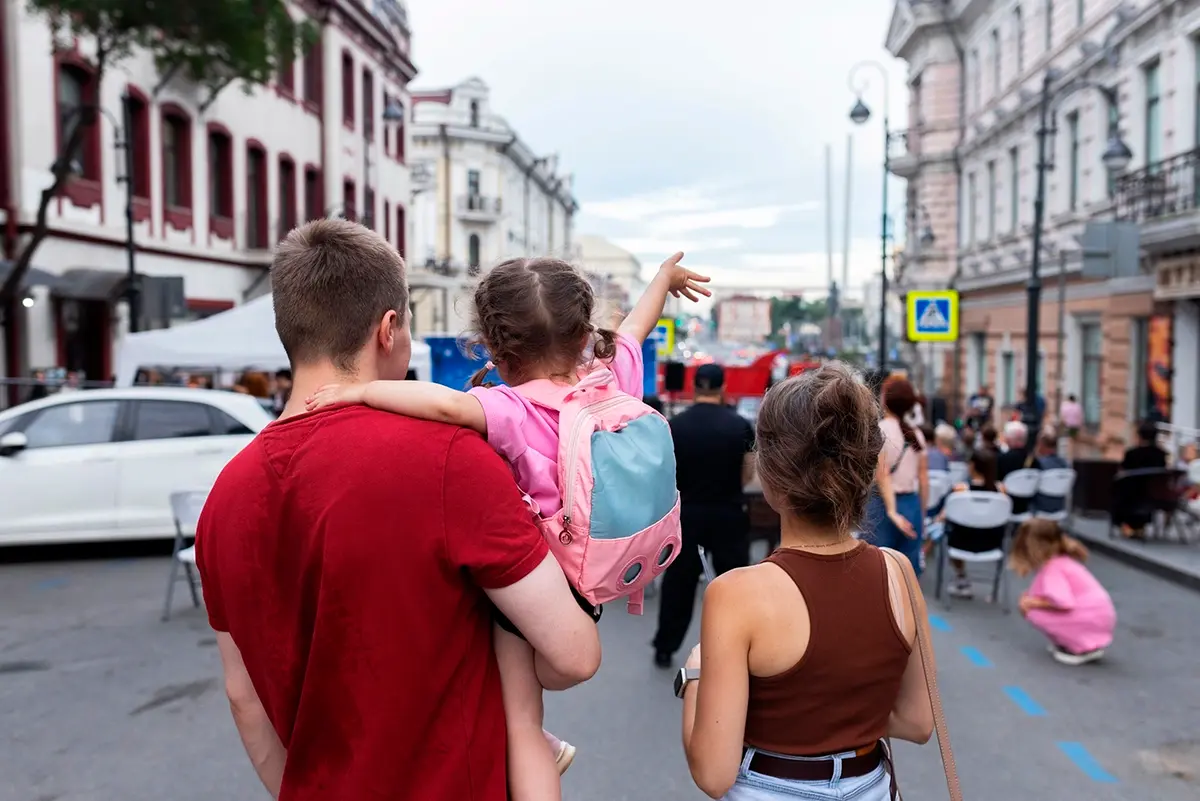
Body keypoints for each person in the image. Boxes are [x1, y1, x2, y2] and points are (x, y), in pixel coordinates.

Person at [195, 219, 603, 801]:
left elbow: (243, 696)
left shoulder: (225, 496)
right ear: (389, 330)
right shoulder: (448, 459)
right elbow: (574, 652)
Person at [307, 251, 709, 801]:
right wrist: (662, 279)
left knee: (520, 719)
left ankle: (537, 746)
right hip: (599, 572)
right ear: (583, 334)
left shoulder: (512, 408)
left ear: (494, 347)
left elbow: (445, 407)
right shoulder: (609, 379)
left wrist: (357, 392)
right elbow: (637, 325)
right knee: (535, 686)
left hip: (542, 579)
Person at [678, 364, 934, 800]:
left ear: (771, 477)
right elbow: (917, 722)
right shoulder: (898, 571)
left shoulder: (736, 594)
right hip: (871, 784)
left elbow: (713, 773)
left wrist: (696, 675)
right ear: (869, 469)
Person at [652, 362, 757, 669]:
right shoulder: (740, 425)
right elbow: (747, 474)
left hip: (688, 515)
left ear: (695, 387)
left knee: (678, 583)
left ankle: (665, 646)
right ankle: (738, 650)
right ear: (723, 388)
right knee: (733, 585)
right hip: (728, 513)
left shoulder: (675, 425)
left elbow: (667, 473)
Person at [1010, 519, 1116, 666]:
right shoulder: (1062, 560)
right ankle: (1080, 639)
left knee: (1030, 610)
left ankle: (1077, 644)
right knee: (1032, 601)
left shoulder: (1052, 569)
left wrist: (1031, 602)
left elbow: (1063, 602)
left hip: (1089, 619)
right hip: (1099, 616)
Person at [868, 375, 928, 575]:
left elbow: (881, 474)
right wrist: (923, 512)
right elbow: (923, 479)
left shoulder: (878, 431)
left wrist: (893, 511)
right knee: (908, 572)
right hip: (911, 503)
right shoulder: (916, 435)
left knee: (879, 570)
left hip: (882, 505)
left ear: (884, 399)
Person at [943, 448, 1000, 600]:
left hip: (960, 544)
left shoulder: (960, 490)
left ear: (972, 465)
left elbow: (947, 515)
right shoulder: (1002, 493)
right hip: (991, 544)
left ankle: (961, 575)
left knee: (947, 529)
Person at [1029, 432, 1069, 516]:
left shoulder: (1039, 464)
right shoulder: (1065, 465)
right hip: (1059, 507)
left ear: (1041, 445)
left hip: (1039, 507)